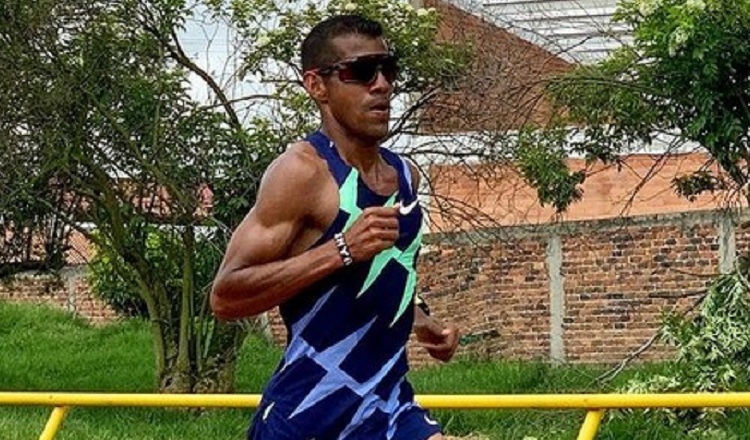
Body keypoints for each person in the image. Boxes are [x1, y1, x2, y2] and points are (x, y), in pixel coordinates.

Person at [210, 14, 460, 440]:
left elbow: (370, 280)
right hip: (310, 414)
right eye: (360, 72)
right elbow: (225, 296)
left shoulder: (406, 178)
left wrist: (420, 321)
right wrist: (340, 249)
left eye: (388, 69)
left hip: (387, 407)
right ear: (317, 86)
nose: (381, 85)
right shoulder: (301, 174)